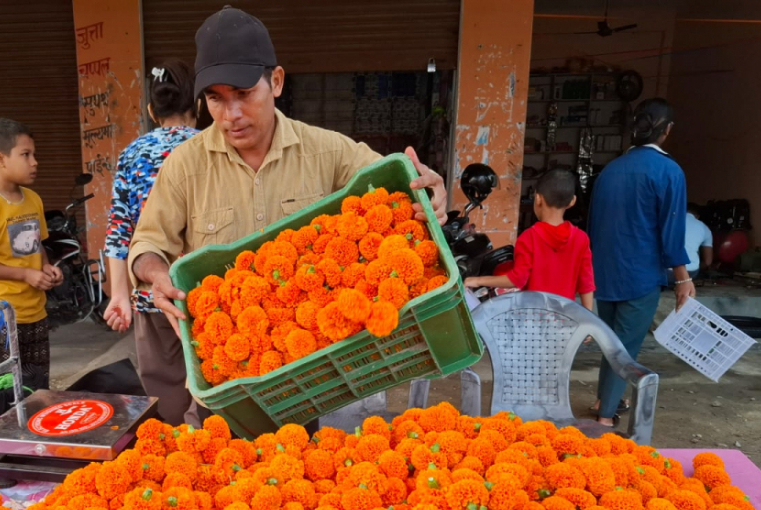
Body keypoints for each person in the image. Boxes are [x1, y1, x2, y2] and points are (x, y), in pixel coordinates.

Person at [126, 6, 448, 427]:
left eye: (243, 94)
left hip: (302, 376)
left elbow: (400, 186)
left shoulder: (328, 151)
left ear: (275, 82)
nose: (231, 115)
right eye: (215, 99)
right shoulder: (185, 166)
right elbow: (147, 244)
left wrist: (431, 191)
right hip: (228, 381)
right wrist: (155, 274)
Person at [102, 61, 200, 419]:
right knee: (214, 385)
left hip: (148, 293)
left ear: (150, 111)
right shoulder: (210, 148)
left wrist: (118, 295)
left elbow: (118, 230)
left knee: (163, 389)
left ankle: (172, 460)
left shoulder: (132, 155)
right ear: (199, 106)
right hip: (204, 291)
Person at [588, 98, 694, 428]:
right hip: (640, 275)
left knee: (611, 343)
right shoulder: (669, 172)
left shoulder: (611, 170)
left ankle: (606, 398)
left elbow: (593, 224)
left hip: (603, 273)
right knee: (626, 346)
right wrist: (682, 278)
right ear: (668, 131)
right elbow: (671, 230)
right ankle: (605, 418)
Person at [0, 118, 62, 383]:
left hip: (37, 313)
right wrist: (25, 275)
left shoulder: (33, 199)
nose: (34, 161)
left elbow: (36, 242)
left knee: (38, 387)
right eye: (25, 155)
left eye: (34, 154)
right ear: (0, 159)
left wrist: (45, 267)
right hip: (2, 319)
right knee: (7, 390)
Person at [464, 168, 594, 310]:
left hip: (531, 322)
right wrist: (590, 321)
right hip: (565, 319)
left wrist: (477, 280)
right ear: (572, 201)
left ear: (538, 198)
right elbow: (586, 285)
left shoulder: (529, 237)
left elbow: (517, 279)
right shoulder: (581, 239)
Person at [672, 202, 713, 284]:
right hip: (690, 273)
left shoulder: (669, 222)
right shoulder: (704, 228)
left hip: (665, 272)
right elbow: (707, 262)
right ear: (697, 216)